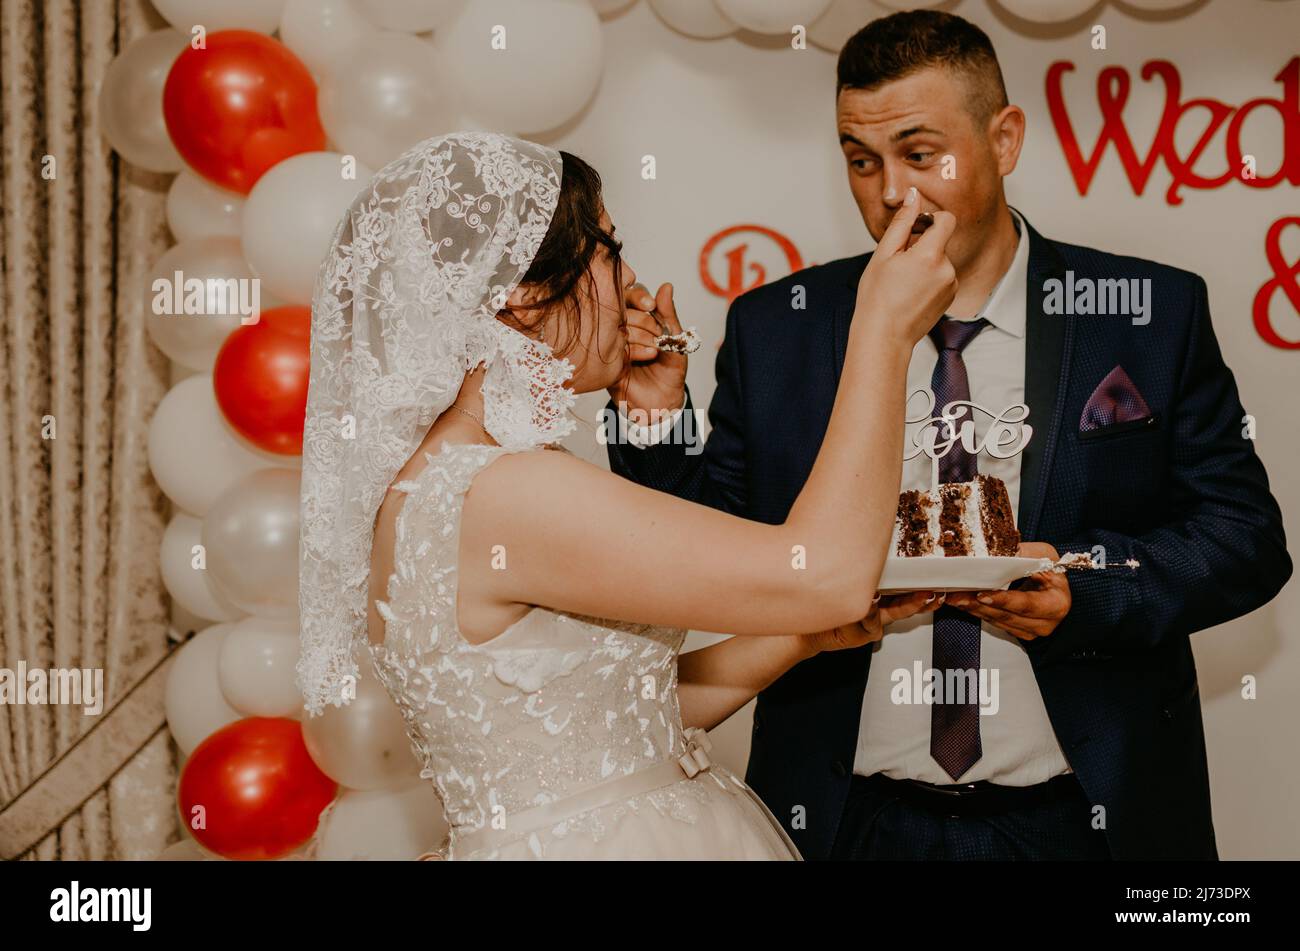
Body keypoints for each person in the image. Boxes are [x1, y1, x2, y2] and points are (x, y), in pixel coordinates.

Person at [604, 10, 1292, 861]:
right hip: (846, 821)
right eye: (862, 161)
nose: (891, 192)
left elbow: (1245, 538)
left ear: (1003, 139)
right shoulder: (779, 328)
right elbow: (697, 557)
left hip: (1089, 820)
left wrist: (1087, 586)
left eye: (920, 154)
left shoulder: (1149, 313)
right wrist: (649, 415)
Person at [295, 131, 954, 859]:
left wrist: (801, 637)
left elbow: (614, 724)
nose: (631, 275)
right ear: (523, 296)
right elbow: (826, 574)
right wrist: (885, 330)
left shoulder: (442, 480)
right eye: (608, 249)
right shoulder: (505, 491)